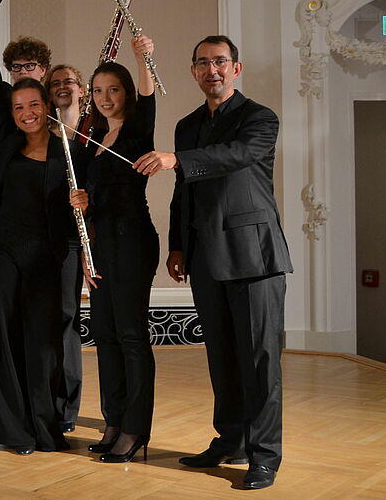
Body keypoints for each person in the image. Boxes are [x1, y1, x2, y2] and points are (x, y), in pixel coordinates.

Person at [134, 35, 292, 490]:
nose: (212, 70)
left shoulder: (260, 118)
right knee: (222, 358)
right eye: (203, 63)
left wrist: (177, 159)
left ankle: (264, 456)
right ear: (193, 71)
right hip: (204, 257)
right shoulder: (186, 125)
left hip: (254, 257)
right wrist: (178, 245)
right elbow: (185, 191)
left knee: (261, 360)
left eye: (220, 62)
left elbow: (235, 156)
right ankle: (231, 439)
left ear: (236, 69)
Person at [69, 35, 160, 463]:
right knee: (105, 336)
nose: (106, 98)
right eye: (99, 91)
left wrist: (143, 58)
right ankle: (113, 421)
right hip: (101, 245)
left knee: (130, 336)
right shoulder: (94, 138)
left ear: (126, 93)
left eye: (114, 90)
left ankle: (135, 430)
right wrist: (82, 203)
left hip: (132, 241)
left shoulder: (138, 129)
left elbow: (148, 95)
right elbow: (90, 197)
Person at [0, 78, 80, 455]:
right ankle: (15, 432)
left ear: (47, 105)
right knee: (4, 340)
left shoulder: (66, 152)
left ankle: (46, 427)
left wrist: (81, 200)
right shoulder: (7, 145)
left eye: (34, 105)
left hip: (46, 256)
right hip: (2, 251)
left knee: (44, 345)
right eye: (19, 107)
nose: (27, 113)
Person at [46, 62, 88, 432]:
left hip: (73, 243)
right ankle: (43, 401)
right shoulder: (41, 131)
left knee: (66, 321)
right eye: (55, 83)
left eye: (69, 82)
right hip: (41, 240)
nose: (62, 87)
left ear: (82, 89)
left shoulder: (93, 132)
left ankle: (66, 408)